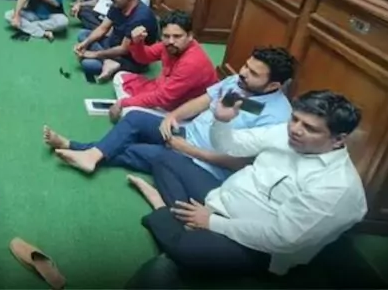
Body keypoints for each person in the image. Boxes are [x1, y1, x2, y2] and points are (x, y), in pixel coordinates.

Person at [127, 90, 366, 277]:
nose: (295, 130)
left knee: (186, 250)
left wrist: (211, 222)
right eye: (295, 119)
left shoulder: (336, 187)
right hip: (219, 199)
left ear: (338, 139)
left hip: (258, 246)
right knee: (167, 159)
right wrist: (222, 122)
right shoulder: (285, 132)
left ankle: (161, 209)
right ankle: (181, 223)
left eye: (310, 128)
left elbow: (282, 238)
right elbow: (230, 146)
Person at [44, 46, 295, 178]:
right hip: (186, 133)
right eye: (246, 66)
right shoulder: (237, 82)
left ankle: (75, 147)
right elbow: (201, 102)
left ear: (273, 85)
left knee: (137, 150)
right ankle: (90, 155)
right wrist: (172, 117)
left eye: (253, 73)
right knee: (135, 118)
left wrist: (187, 149)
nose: (243, 73)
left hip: (201, 161)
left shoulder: (277, 118)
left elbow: (241, 163)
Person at [111, 10, 218, 118]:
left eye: (177, 36)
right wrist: (137, 42)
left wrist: (124, 102)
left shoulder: (192, 62)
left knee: (130, 111)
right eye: (166, 36)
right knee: (120, 77)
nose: (171, 41)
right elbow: (144, 57)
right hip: (164, 90)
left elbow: (164, 97)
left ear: (190, 36)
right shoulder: (170, 46)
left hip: (182, 109)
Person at [74, 0, 158, 83]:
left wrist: (95, 54)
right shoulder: (118, 4)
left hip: (131, 58)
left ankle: (110, 62)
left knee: (87, 64)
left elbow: (124, 49)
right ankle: (108, 62)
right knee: (83, 35)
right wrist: (85, 44)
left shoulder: (140, 17)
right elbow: (103, 28)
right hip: (114, 44)